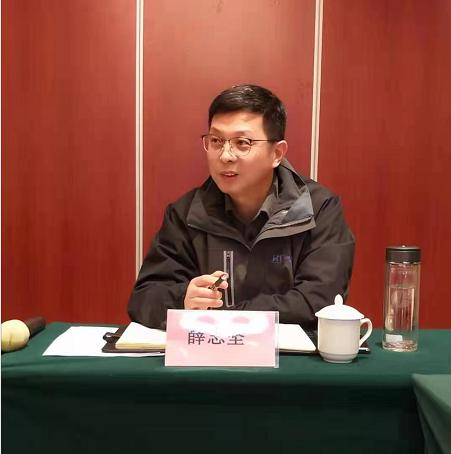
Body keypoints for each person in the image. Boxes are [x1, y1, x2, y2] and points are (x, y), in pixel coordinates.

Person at [128, 84, 355, 330]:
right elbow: (144, 299)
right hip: (209, 350)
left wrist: (228, 317)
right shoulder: (186, 214)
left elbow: (319, 301)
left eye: (242, 143)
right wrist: (183, 298)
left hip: (287, 353)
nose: (225, 155)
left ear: (277, 153)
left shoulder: (317, 209)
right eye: (216, 141)